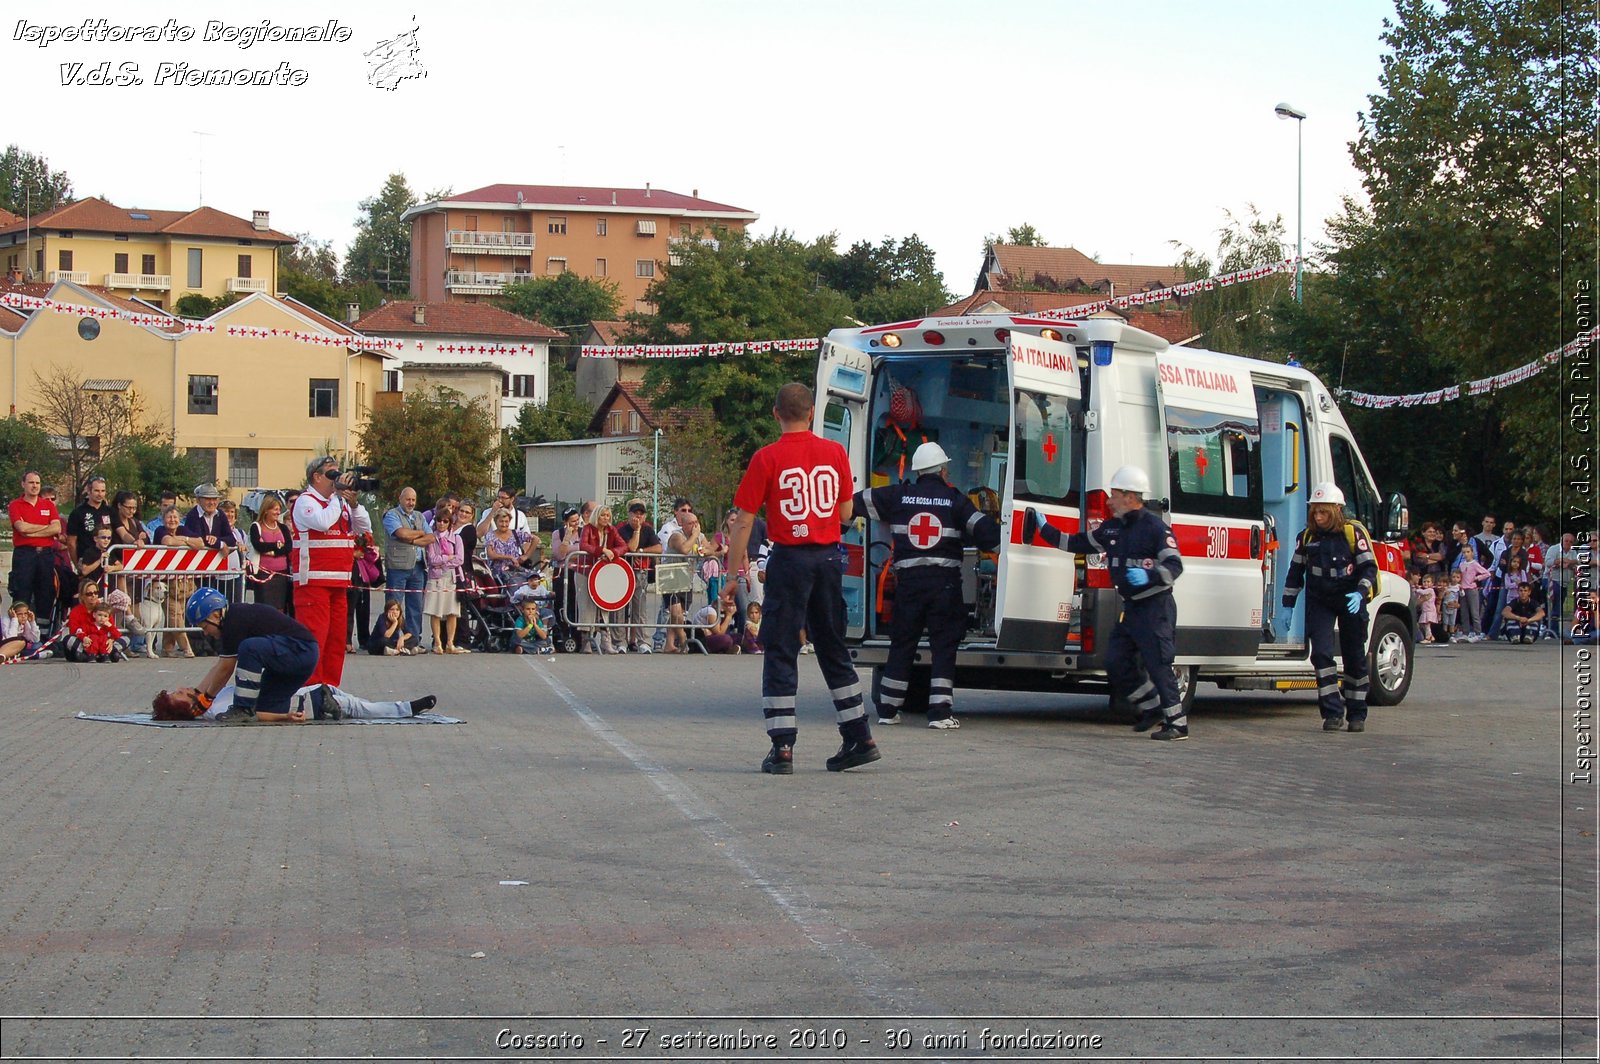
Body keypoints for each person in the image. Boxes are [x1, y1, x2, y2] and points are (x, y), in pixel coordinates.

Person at [725, 381, 878, 774]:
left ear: (776, 414)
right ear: (812, 413)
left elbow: (744, 520)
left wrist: (732, 573)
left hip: (789, 560)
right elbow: (846, 514)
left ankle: (783, 748)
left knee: (780, 648)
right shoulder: (835, 452)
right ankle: (859, 735)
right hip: (828, 559)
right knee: (832, 647)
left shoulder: (766, 458)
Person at [1025, 465, 1188, 740]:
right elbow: (1076, 543)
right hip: (1132, 609)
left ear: (1130, 496)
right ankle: (1152, 708)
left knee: (1158, 664)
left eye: (1114, 495)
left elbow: (1175, 565)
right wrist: (1045, 529)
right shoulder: (1111, 529)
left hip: (1155, 608)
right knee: (1115, 661)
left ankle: (1177, 723)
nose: (1109, 501)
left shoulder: (1155, 529)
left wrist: (1148, 575)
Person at [853, 441, 1001, 730]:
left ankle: (888, 709)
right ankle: (940, 712)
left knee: (902, 643)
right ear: (943, 470)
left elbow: (855, 503)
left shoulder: (898, 495)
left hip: (908, 586)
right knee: (943, 646)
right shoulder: (955, 500)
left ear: (918, 472)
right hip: (943, 587)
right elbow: (988, 534)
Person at [1279, 482, 1378, 732]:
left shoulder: (1353, 533)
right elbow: (1296, 571)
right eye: (1315, 512)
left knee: (1354, 657)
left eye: (1323, 512)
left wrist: (1360, 592)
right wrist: (1287, 605)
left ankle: (1357, 714)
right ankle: (1332, 712)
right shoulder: (1307, 537)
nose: (1319, 517)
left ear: (1336, 510)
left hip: (1350, 600)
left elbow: (1369, 568)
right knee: (1321, 655)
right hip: (1320, 600)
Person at [168, 586, 321, 723]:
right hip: (298, 654)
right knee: (268, 709)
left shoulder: (233, 621)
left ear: (215, 615)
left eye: (205, 626)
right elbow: (219, 667)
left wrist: (206, 698)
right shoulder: (230, 619)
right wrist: (198, 693)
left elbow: (226, 668)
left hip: (300, 649)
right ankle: (330, 701)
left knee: (249, 648)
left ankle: (242, 709)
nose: (206, 633)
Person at [290, 457, 371, 686]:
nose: (337, 479)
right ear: (316, 477)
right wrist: (337, 496)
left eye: (339, 474)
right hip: (313, 583)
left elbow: (364, 528)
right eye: (331, 475)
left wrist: (353, 504)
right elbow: (323, 522)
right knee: (315, 639)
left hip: (339, 582)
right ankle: (311, 689)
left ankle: (330, 689)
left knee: (336, 641)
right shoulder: (306, 501)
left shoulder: (340, 503)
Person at [153, 677, 438, 722]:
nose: (181, 687)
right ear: (184, 706)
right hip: (304, 704)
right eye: (176, 693)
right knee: (358, 707)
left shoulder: (211, 698)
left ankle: (406, 708)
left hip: (307, 692)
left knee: (358, 704)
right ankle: (407, 709)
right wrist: (285, 718)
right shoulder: (217, 711)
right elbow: (253, 716)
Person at [8, 471, 62, 634]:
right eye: (31, 482)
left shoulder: (48, 505)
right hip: (25, 554)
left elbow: (57, 528)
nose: (34, 486)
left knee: (45, 593)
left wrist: (31, 530)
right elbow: (21, 528)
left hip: (45, 555)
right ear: (23, 484)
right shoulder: (15, 505)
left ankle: (42, 634)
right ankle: (18, 633)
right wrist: (46, 529)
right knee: (22, 592)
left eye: (37, 483)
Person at [382, 487, 434, 648]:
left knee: (415, 606)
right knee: (394, 605)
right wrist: (419, 533)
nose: (410, 503)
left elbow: (431, 537)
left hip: (418, 567)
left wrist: (412, 539)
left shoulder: (419, 516)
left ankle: (413, 641)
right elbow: (400, 533)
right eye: (408, 499)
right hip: (397, 567)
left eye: (413, 500)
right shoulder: (391, 515)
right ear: (400, 498)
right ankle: (392, 639)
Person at [579, 505, 629, 654]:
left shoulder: (612, 530)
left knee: (604, 605)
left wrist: (613, 552)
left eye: (608, 515)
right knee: (586, 607)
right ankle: (586, 641)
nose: (606, 518)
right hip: (586, 571)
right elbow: (584, 545)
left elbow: (623, 546)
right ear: (597, 516)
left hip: (603, 573)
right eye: (603, 515)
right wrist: (601, 550)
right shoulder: (588, 528)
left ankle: (605, 641)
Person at [423, 500, 468, 654]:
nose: (441, 524)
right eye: (439, 520)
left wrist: (444, 562)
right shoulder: (431, 538)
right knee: (435, 611)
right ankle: (437, 642)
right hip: (435, 578)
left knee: (451, 612)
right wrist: (447, 558)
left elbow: (459, 559)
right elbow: (432, 560)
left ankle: (450, 642)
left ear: (450, 523)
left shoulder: (456, 538)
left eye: (445, 521)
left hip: (452, 577)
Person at [619, 501, 663, 652]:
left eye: (641, 514)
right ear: (629, 515)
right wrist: (636, 531)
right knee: (622, 608)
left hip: (641, 573)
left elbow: (658, 548)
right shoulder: (622, 529)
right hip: (624, 572)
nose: (638, 516)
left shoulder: (649, 530)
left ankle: (642, 640)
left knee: (640, 608)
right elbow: (630, 547)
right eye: (635, 513)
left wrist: (642, 551)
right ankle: (621, 641)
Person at [65, 475, 115, 580]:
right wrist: (77, 563)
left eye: (103, 491)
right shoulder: (78, 512)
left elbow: (120, 531)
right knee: (89, 594)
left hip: (106, 563)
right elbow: (71, 542)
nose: (100, 494)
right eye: (96, 490)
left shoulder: (110, 511)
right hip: (87, 563)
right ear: (89, 490)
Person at [248, 494, 293, 611]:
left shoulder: (283, 528)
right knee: (264, 608)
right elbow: (258, 546)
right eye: (275, 509)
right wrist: (277, 545)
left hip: (281, 574)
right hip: (263, 574)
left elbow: (288, 547)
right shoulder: (256, 527)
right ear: (266, 510)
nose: (278, 512)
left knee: (280, 607)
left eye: (279, 509)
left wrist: (272, 552)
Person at [484, 507, 539, 586]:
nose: (504, 524)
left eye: (506, 521)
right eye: (501, 521)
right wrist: (509, 557)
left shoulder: (515, 533)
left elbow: (535, 539)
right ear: (496, 521)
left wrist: (526, 556)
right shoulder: (491, 535)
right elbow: (491, 554)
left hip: (515, 571)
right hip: (498, 573)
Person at [181, 484, 237, 550]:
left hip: (218, 559)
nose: (212, 502)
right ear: (198, 500)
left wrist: (216, 539)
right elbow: (198, 540)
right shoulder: (192, 516)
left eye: (214, 499)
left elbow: (231, 540)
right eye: (208, 499)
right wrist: (221, 544)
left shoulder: (220, 514)